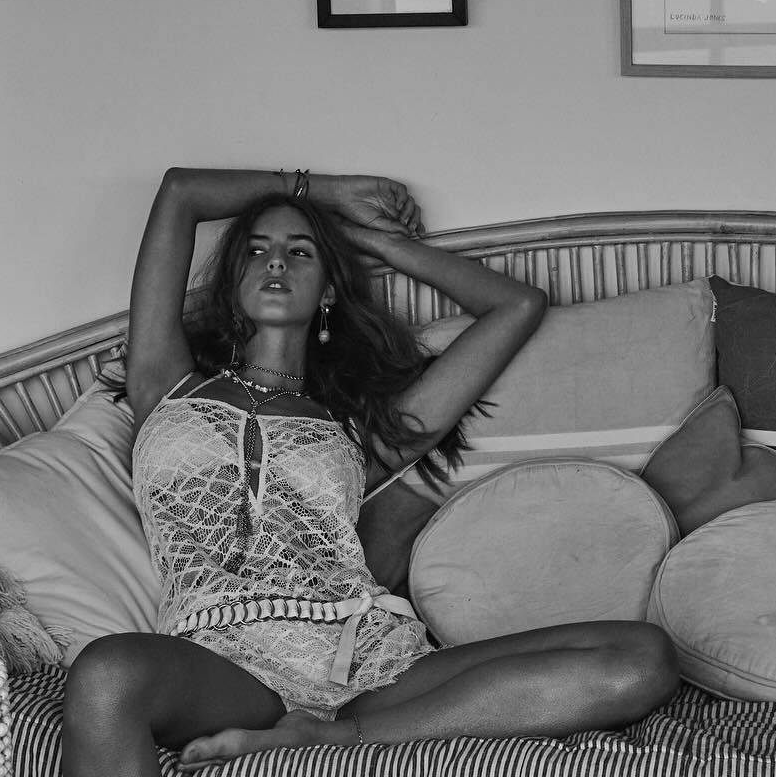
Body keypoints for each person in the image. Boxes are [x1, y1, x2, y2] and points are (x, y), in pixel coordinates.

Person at [62, 168, 678, 773]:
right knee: (108, 672)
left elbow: (517, 306)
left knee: (641, 656)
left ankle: (335, 737)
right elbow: (180, 192)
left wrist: (362, 240)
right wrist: (326, 196)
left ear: (329, 289)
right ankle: (320, 731)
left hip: (366, 662)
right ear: (233, 283)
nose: (276, 262)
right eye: (256, 250)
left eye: (300, 252)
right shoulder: (166, 384)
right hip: (225, 666)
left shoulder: (362, 435)